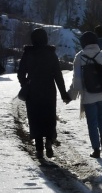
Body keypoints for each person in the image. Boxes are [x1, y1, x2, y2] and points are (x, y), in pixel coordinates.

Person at [17, 27, 68, 161]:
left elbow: (20, 73)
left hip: (33, 90)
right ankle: (49, 141)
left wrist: (25, 84)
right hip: (48, 90)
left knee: (35, 119)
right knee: (49, 117)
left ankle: (39, 149)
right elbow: (58, 75)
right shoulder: (51, 54)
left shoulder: (28, 53)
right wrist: (63, 94)